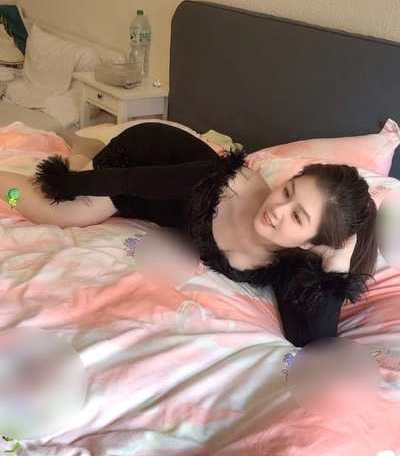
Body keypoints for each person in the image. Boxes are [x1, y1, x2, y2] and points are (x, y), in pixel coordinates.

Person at [0, 122, 378, 346]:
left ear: (311, 243)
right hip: (145, 160)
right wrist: (62, 183)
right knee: (66, 213)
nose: (277, 209)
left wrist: (337, 267)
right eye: (287, 191)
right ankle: (10, 186)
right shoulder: (229, 185)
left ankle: (85, 149)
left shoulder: (290, 262)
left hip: (155, 193)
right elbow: (127, 180)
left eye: (296, 215)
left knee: (84, 180)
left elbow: (309, 342)